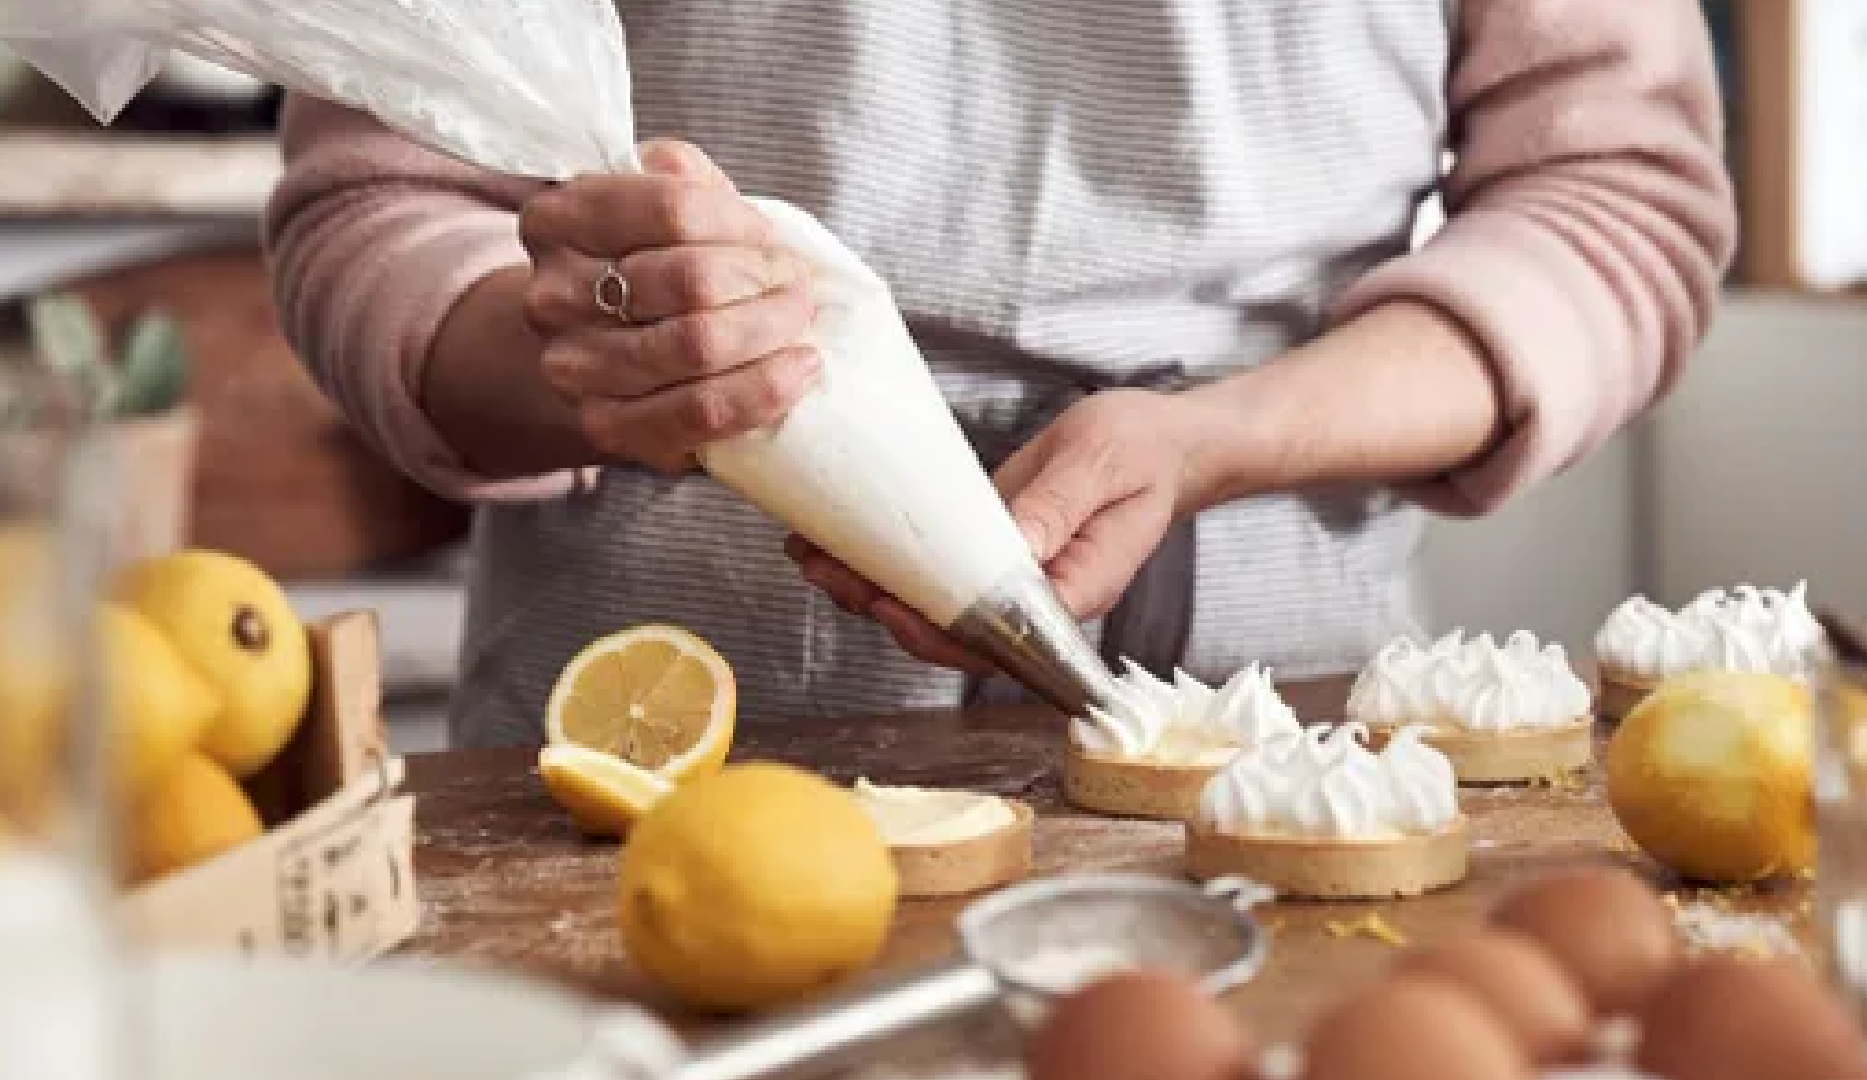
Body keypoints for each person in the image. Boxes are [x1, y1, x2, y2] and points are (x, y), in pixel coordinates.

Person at [266, 0, 1735, 748]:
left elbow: (1615, 196)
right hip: (657, 752)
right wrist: (607, 357)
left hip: (1283, 744)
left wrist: (1214, 441)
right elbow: (377, 202)